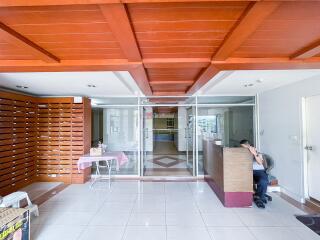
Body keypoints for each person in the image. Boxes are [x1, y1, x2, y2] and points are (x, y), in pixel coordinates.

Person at [240, 139, 268, 209]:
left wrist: (254, 153)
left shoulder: (257, 153)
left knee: (263, 181)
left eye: (244, 147)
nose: (244, 149)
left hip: (259, 171)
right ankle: (258, 195)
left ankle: (259, 196)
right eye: (242, 147)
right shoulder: (243, 154)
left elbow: (260, 163)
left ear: (248, 146)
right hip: (248, 171)